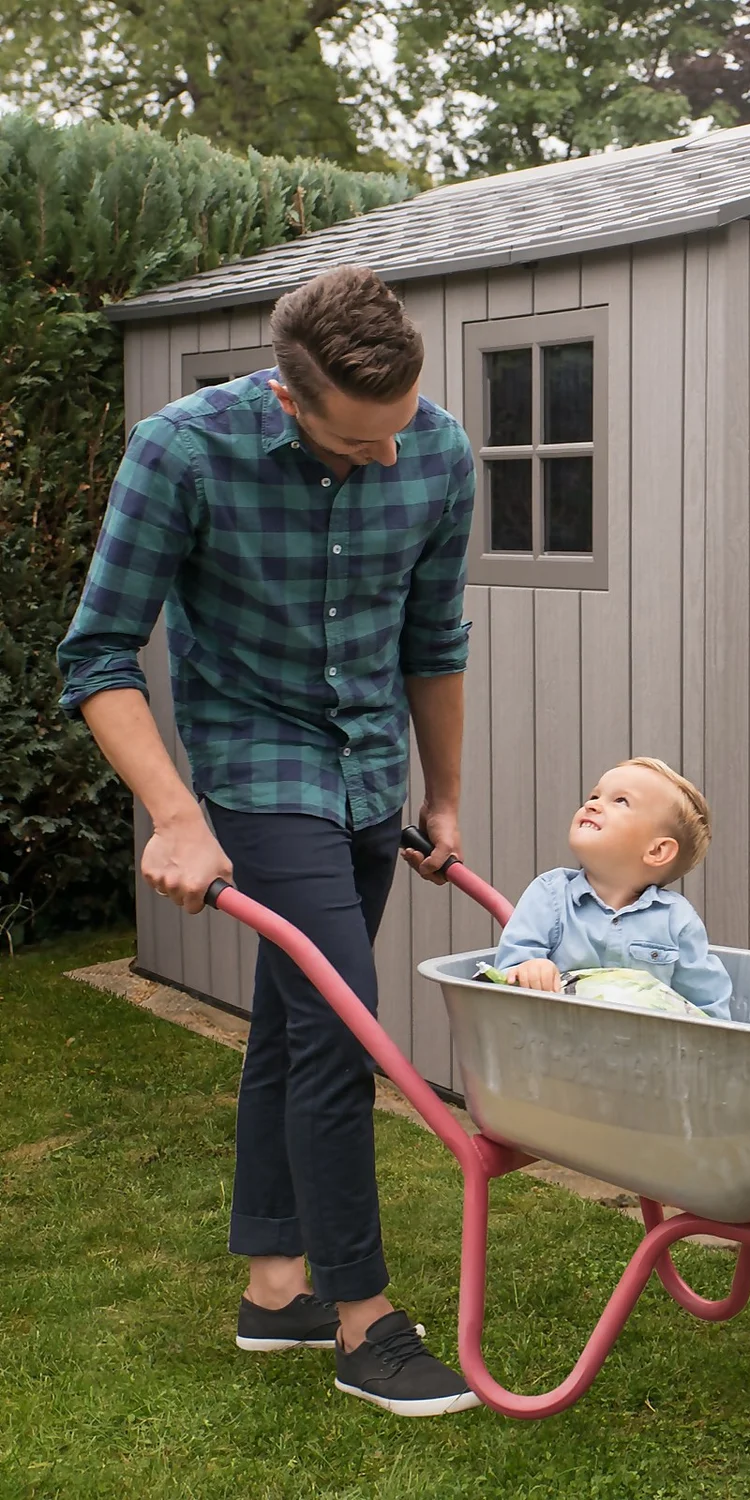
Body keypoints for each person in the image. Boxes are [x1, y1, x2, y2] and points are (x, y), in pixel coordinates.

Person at [57, 265, 481, 1417]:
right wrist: (179, 815)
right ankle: (363, 1322)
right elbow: (98, 655)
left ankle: (275, 1289)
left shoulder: (438, 451)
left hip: (369, 770)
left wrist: (444, 797)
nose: (389, 456)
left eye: (399, 427)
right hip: (257, 767)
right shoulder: (182, 452)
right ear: (289, 399)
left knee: (296, 1028)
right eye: (357, 440)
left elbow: (434, 638)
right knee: (341, 1021)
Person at [494, 759, 733, 1020]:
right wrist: (529, 967)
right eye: (594, 796)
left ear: (657, 850)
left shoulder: (676, 919)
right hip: (558, 1035)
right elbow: (509, 968)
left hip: (645, 1042)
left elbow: (706, 1001)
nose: (592, 804)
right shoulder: (550, 895)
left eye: (620, 801)